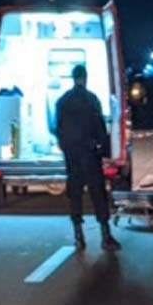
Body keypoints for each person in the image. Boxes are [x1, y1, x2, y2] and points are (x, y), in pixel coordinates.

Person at [55, 64, 121, 251]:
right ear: (85, 78)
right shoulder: (91, 99)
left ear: (73, 78)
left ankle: (78, 236)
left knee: (75, 194)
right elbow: (99, 126)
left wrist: (65, 146)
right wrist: (105, 151)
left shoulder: (62, 101)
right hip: (89, 153)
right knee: (98, 193)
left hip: (72, 155)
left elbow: (58, 128)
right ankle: (105, 236)